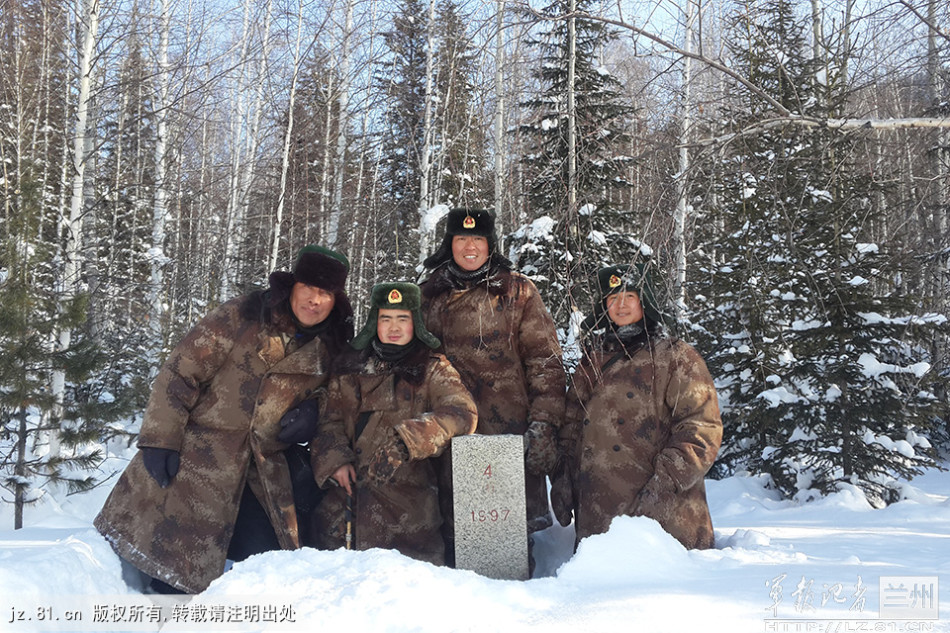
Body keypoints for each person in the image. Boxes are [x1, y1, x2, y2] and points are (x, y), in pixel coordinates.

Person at [94, 245, 354, 594]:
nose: (315, 300)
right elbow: (180, 372)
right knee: (174, 568)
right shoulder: (243, 315)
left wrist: (313, 411)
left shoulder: (334, 341)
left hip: (264, 468)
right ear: (292, 285)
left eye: (326, 293)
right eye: (309, 287)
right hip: (200, 457)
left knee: (269, 567)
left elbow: (338, 398)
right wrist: (160, 439)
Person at [419, 208, 566, 567]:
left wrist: (544, 424)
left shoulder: (517, 291)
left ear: (490, 245)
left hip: (508, 438)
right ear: (449, 244)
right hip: (449, 435)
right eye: (461, 239)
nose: (470, 247)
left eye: (478, 240)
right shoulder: (428, 294)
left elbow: (545, 362)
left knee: (507, 545)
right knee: (451, 536)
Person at [550, 262, 722, 550]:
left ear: (645, 302)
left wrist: (663, 486)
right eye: (612, 298)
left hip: (665, 517)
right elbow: (570, 426)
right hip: (598, 519)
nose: (621, 305)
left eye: (629, 296)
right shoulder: (592, 361)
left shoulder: (676, 357)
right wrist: (563, 478)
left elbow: (702, 430)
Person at [310, 282, 477, 565]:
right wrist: (335, 461)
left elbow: (463, 413)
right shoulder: (349, 368)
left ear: (416, 323)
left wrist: (408, 440)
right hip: (344, 519)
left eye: (403, 319)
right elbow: (328, 423)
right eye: (385, 318)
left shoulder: (433, 368)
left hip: (409, 521)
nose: (394, 327)